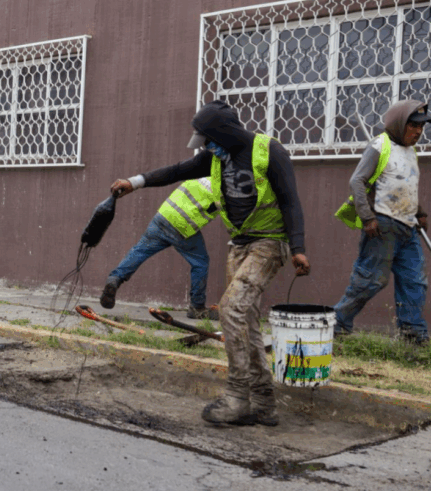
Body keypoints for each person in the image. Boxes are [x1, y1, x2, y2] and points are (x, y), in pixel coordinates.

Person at [111, 100, 310, 426]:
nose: (208, 149)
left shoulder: (269, 151)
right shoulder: (217, 157)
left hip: (270, 244)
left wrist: (298, 247)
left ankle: (237, 397)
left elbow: (290, 200)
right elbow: (177, 171)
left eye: (210, 142)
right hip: (240, 247)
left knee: (231, 309)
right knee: (246, 324)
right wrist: (135, 182)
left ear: (227, 133)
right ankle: (264, 405)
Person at [333, 101, 430, 345]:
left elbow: (404, 185)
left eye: (421, 127)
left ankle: (413, 335)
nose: (418, 131)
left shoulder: (411, 152)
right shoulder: (380, 145)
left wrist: (420, 212)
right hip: (382, 225)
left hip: (408, 228)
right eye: (413, 125)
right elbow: (357, 181)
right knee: (371, 279)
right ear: (399, 123)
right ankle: (337, 324)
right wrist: (367, 217)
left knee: (414, 281)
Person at [100, 178, 219, 320]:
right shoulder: (225, 189)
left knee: (140, 250)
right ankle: (197, 307)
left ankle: (115, 278)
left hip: (163, 216)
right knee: (201, 262)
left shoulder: (203, 177)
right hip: (183, 226)